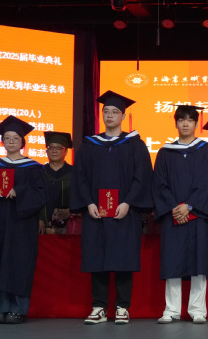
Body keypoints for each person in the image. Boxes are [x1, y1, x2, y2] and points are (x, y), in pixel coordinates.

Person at [72, 91, 153, 325]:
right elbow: (80, 177)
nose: (109, 115)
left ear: (123, 116)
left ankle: (122, 308)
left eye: (114, 112)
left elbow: (142, 177)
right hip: (95, 213)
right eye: (106, 111)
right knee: (96, 257)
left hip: (124, 213)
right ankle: (98, 307)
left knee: (123, 258)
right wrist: (88, 202)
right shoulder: (90, 146)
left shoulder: (135, 145)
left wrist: (128, 202)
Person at [153, 105, 208, 324]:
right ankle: (171, 310)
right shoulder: (165, 152)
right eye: (181, 120)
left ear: (196, 124)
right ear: (176, 123)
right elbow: (159, 183)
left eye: (190, 120)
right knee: (172, 262)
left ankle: (197, 310)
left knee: (199, 263)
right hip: (173, 215)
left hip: (197, 215)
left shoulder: (206, 151)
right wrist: (174, 207)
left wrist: (189, 205)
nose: (185, 124)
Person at [0, 116, 46, 324]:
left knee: (19, 263)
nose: (11, 141)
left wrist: (20, 191)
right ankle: (0, 308)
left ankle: (18, 309)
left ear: (23, 141)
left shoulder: (34, 167)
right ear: (2, 141)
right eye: (7, 138)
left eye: (15, 138)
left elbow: (41, 194)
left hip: (22, 224)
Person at [41, 131, 73, 235]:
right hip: (42, 227)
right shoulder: (39, 173)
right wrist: (39, 219)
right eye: (51, 148)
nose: (54, 151)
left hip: (68, 229)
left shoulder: (74, 173)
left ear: (66, 152)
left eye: (59, 148)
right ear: (47, 151)